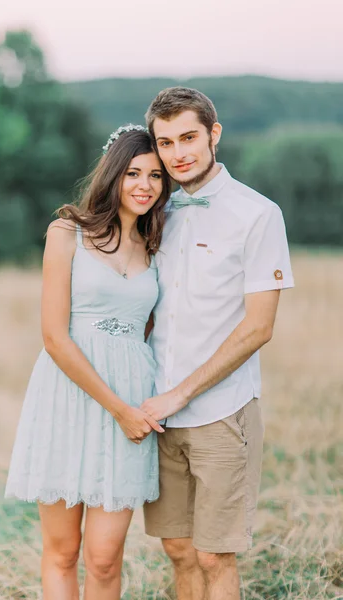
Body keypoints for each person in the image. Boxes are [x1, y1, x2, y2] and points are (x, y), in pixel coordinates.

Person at [5, 124, 171, 600]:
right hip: (68, 395)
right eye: (134, 173)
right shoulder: (67, 232)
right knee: (62, 551)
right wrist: (117, 407)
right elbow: (55, 337)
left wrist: (133, 405)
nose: (145, 185)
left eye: (156, 177)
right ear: (113, 173)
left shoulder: (157, 246)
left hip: (132, 405)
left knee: (103, 558)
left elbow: (150, 330)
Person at [141, 87, 295, 600]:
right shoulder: (153, 211)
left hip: (221, 414)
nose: (178, 153)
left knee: (214, 554)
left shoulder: (257, 214)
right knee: (179, 551)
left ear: (214, 134)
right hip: (157, 416)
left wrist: (180, 393)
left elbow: (258, 327)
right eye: (165, 143)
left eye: (188, 137)